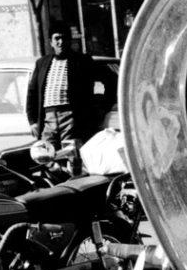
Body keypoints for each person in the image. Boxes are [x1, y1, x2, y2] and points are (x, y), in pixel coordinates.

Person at [26, 28, 118, 172]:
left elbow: (111, 80)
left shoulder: (82, 61)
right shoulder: (42, 63)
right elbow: (32, 93)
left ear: (70, 41)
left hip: (71, 118)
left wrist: (102, 106)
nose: (60, 42)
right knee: (46, 157)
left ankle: (73, 185)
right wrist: (32, 121)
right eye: (57, 38)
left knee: (72, 157)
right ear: (51, 42)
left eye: (64, 38)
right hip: (48, 119)